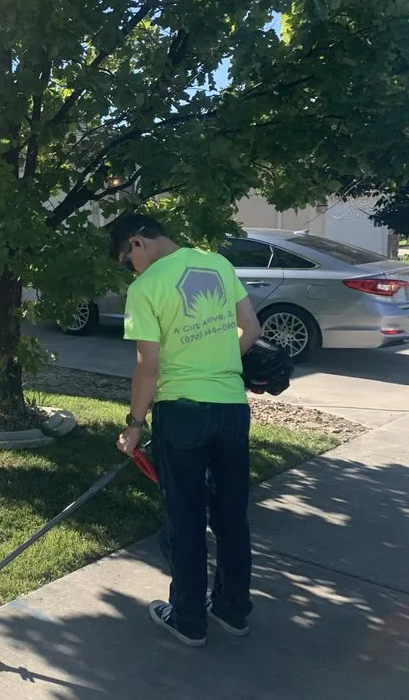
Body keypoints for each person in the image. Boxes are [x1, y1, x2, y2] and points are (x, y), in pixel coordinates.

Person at [110, 212, 263, 647]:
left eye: (126, 260)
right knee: (232, 516)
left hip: (182, 412)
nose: (130, 269)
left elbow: (148, 366)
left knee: (186, 517)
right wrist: (218, 364)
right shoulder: (218, 264)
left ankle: (189, 618)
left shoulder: (146, 287)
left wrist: (134, 426)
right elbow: (250, 329)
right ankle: (233, 610)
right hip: (232, 408)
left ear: (138, 243)